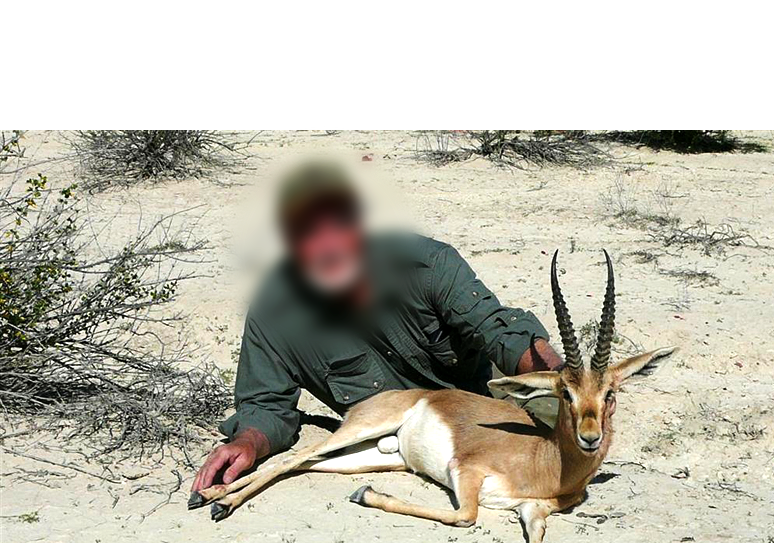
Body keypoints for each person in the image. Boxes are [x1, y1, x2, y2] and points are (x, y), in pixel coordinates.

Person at [192, 162, 564, 493]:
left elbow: (500, 332)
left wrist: (565, 383)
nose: (327, 246)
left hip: (477, 410)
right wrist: (248, 444)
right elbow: (265, 405)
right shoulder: (275, 312)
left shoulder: (427, 264)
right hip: (396, 440)